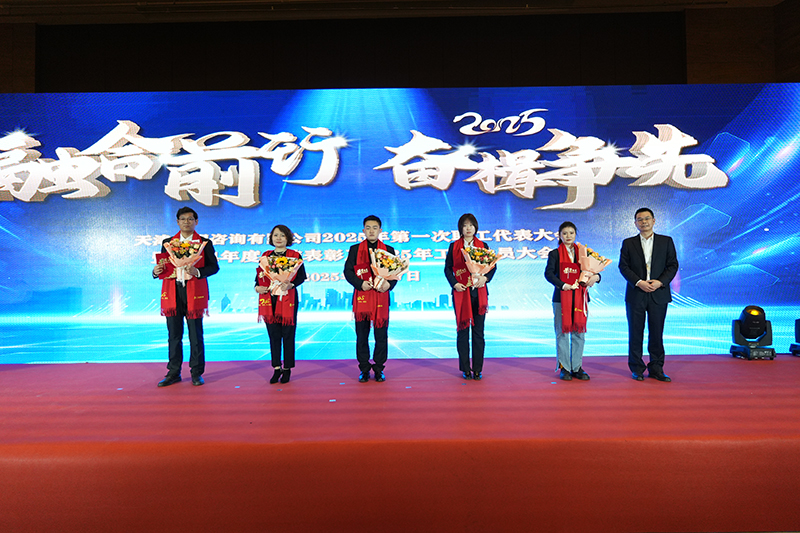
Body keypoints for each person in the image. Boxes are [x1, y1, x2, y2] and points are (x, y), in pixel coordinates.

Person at [152, 206, 219, 387]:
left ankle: (196, 373)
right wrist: (156, 271)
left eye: (190, 219)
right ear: (177, 222)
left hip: (194, 292)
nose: (186, 222)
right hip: (172, 292)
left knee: (195, 335)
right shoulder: (168, 243)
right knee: (174, 335)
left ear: (196, 222)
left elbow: (214, 267)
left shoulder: (204, 243)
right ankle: (173, 373)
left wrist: (198, 272)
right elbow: (163, 267)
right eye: (183, 219)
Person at [619, 207, 679, 382]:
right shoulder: (628, 243)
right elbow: (623, 267)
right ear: (635, 223)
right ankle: (637, 368)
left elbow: (672, 265)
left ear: (654, 221)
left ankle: (656, 368)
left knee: (657, 333)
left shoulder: (666, 241)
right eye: (640, 219)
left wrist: (660, 282)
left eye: (647, 218)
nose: (643, 222)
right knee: (635, 333)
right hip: (636, 293)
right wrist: (639, 282)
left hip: (658, 293)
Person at [343, 215, 398, 383]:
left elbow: (395, 272)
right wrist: (360, 284)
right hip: (363, 297)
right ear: (363, 230)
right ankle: (364, 368)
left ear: (380, 230)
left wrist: (389, 284)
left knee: (381, 336)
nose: (371, 231)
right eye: (368, 228)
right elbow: (348, 271)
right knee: (362, 336)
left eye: (375, 228)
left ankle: (379, 368)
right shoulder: (355, 249)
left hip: (381, 297)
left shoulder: (388, 250)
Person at [544, 221, 600, 381]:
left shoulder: (584, 253)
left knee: (579, 332)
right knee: (562, 333)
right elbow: (548, 274)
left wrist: (596, 277)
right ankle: (564, 367)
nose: (568, 236)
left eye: (571, 233)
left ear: (575, 234)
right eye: (564, 233)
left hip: (580, 298)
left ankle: (577, 367)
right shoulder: (555, 254)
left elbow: (595, 271)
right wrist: (563, 285)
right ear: (559, 236)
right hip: (561, 298)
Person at [444, 213, 496, 380]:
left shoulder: (483, 246)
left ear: (475, 228)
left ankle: (478, 369)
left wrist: (485, 278)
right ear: (460, 228)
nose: (468, 228)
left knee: (478, 332)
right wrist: (454, 283)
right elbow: (447, 268)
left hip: (479, 293)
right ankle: (465, 368)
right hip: (461, 293)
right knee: (463, 332)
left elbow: (492, 266)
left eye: (471, 225)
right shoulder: (454, 246)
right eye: (465, 225)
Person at [255, 224, 307, 384]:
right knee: (273, 335)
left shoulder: (294, 256)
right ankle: (276, 367)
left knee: (288, 334)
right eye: (276, 235)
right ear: (271, 238)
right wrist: (257, 287)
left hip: (287, 298)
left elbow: (301, 277)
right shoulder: (266, 256)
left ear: (288, 238)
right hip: (269, 298)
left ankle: (287, 368)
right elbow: (259, 277)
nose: (278, 238)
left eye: (282, 235)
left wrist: (291, 284)